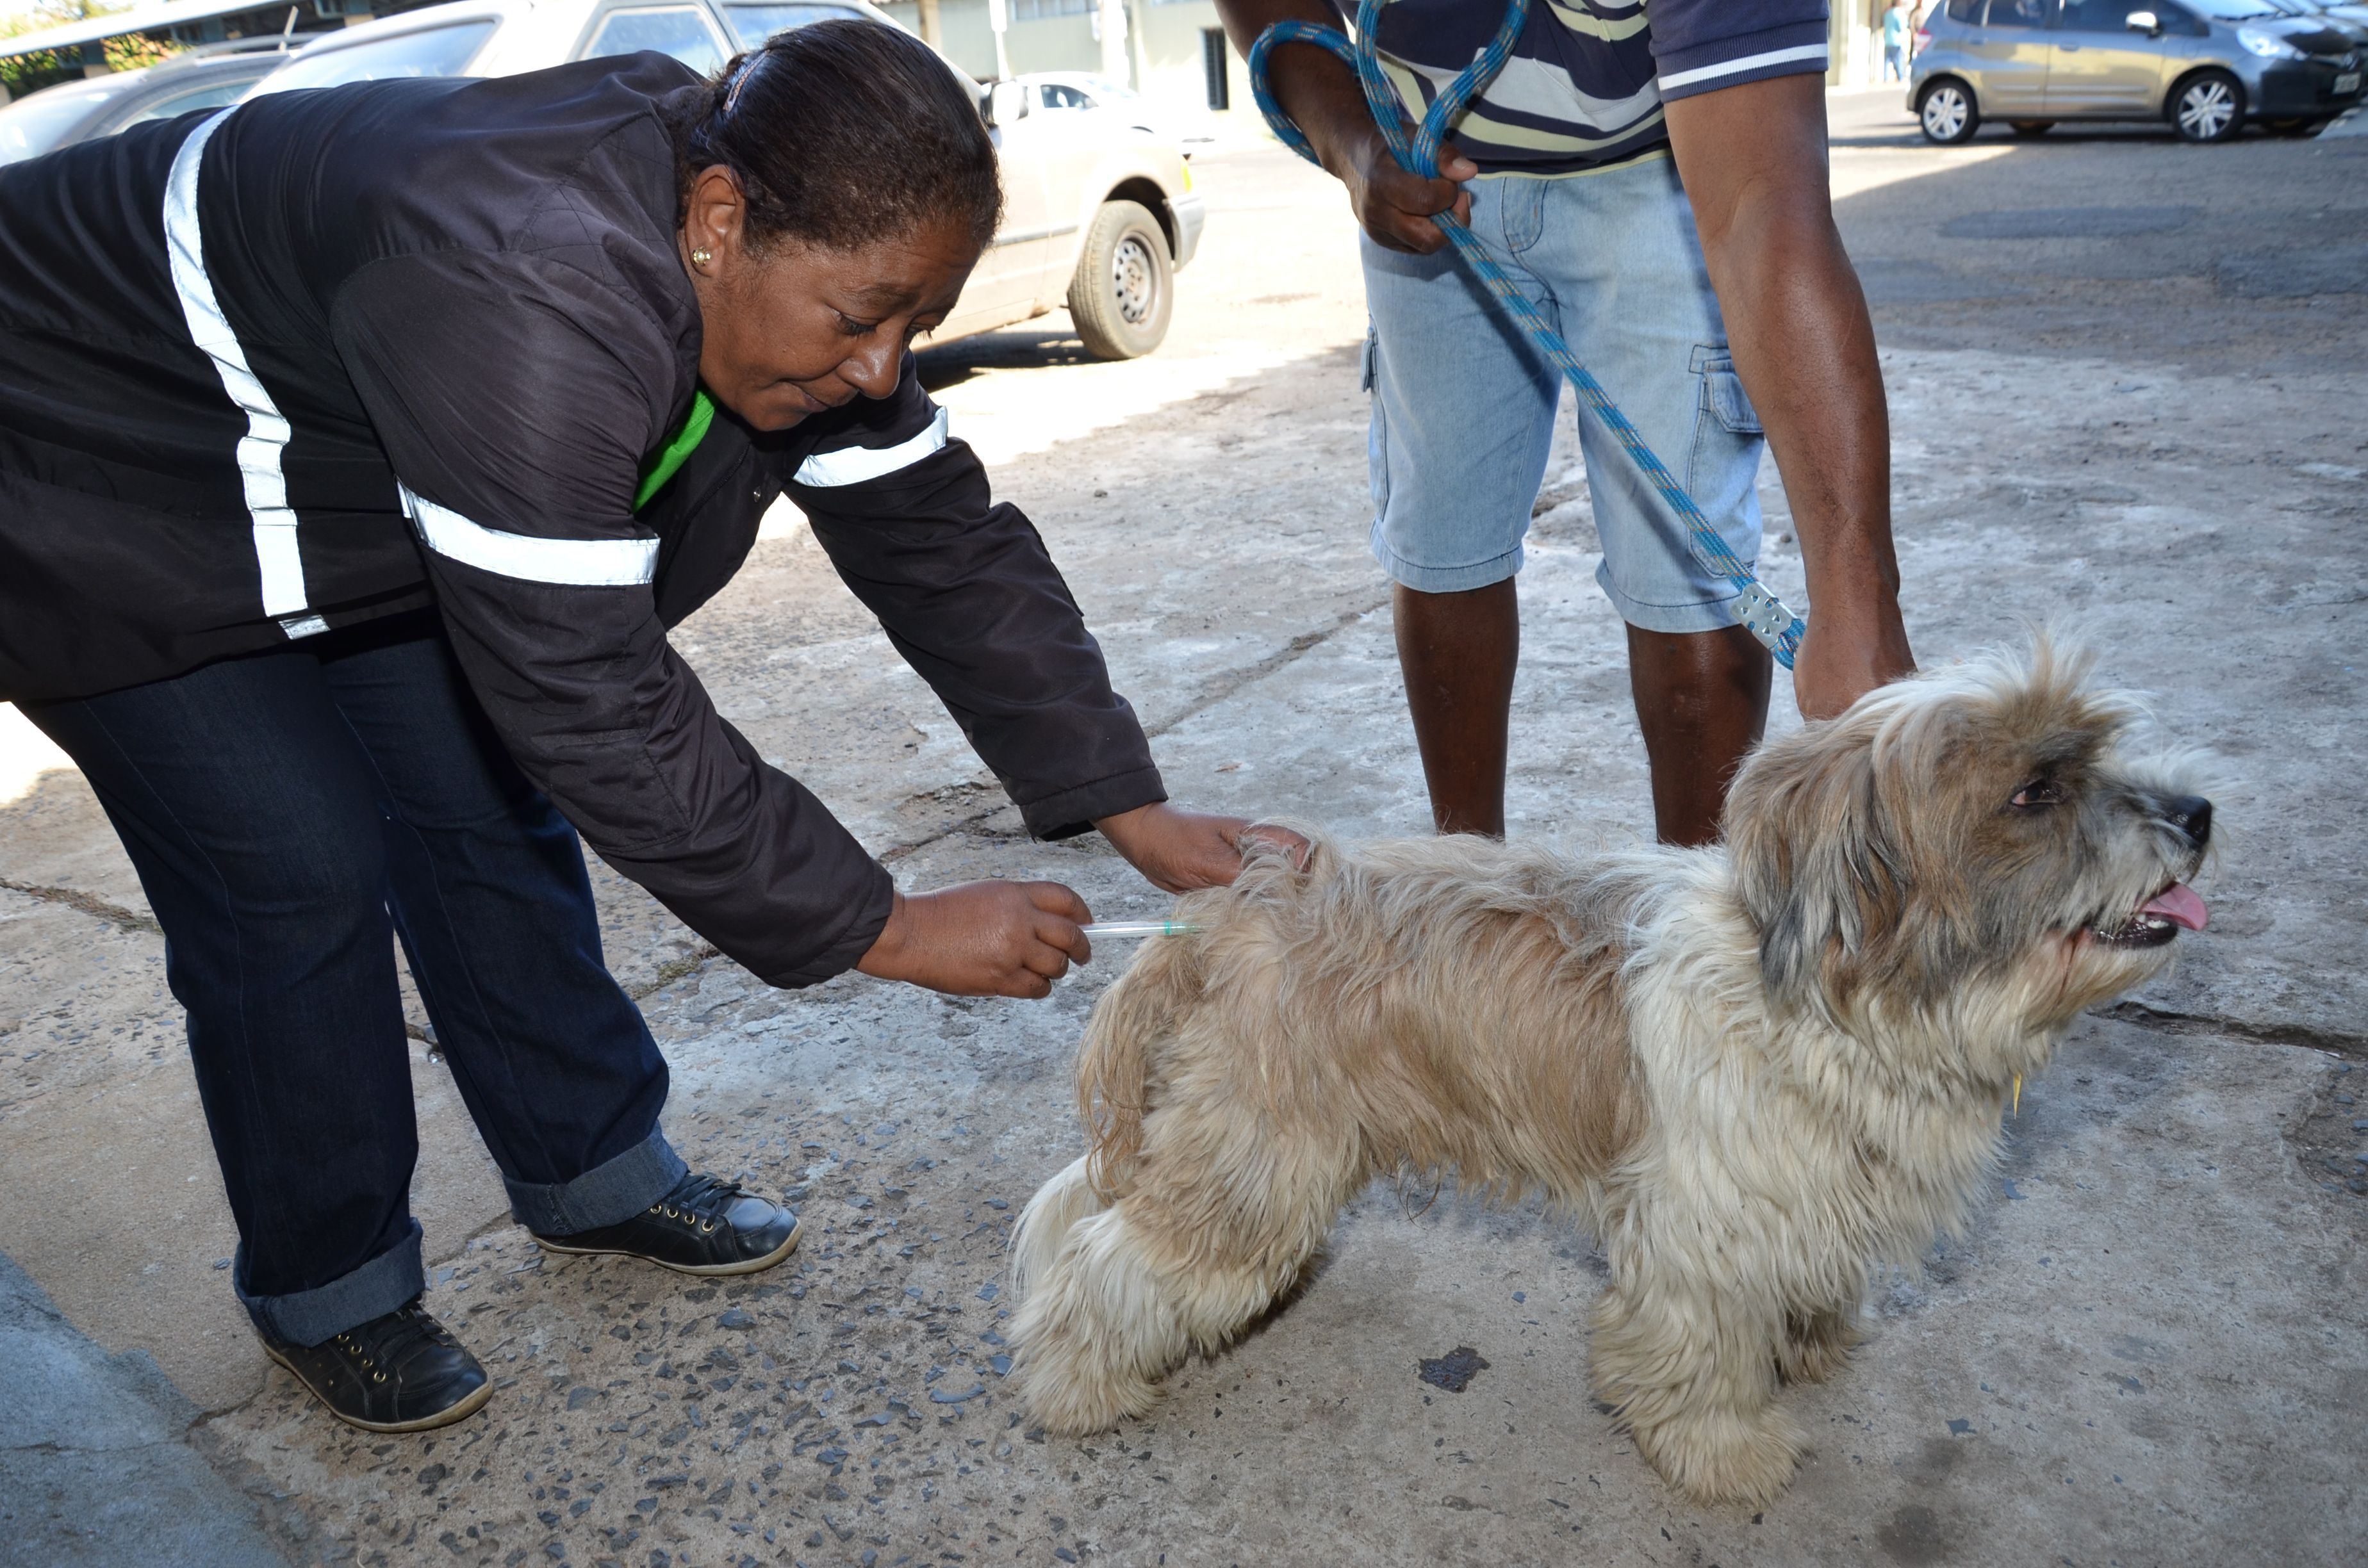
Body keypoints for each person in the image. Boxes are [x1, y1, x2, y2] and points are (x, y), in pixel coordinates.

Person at [0, 22, 1270, 1433]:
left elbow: (938, 538)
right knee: (292, 871)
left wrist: (1125, 803)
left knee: (481, 803)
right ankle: (334, 1287)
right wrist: (884, 924)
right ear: (719, 221)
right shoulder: (525, 284)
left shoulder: (772, 234)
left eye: (913, 323)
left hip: (337, 470)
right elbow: (590, 688)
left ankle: (589, 1170)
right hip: (91, 466)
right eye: (862, 319)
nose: (880, 367)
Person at [1219, 0, 1915, 845]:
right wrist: (1349, 136)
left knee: (1689, 579)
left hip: (1663, 164)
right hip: (1419, 158)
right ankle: (1467, 899)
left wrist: (1854, 602)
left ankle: (1703, 932)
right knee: (1442, 542)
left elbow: (1761, 206)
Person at [1884, 1, 1914, 82]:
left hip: (1888, 40)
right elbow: (1902, 27)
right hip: (1896, 40)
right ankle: (1900, 77)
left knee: (1887, 61)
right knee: (1898, 60)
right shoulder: (1898, 13)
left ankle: (1886, 78)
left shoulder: (1887, 14)